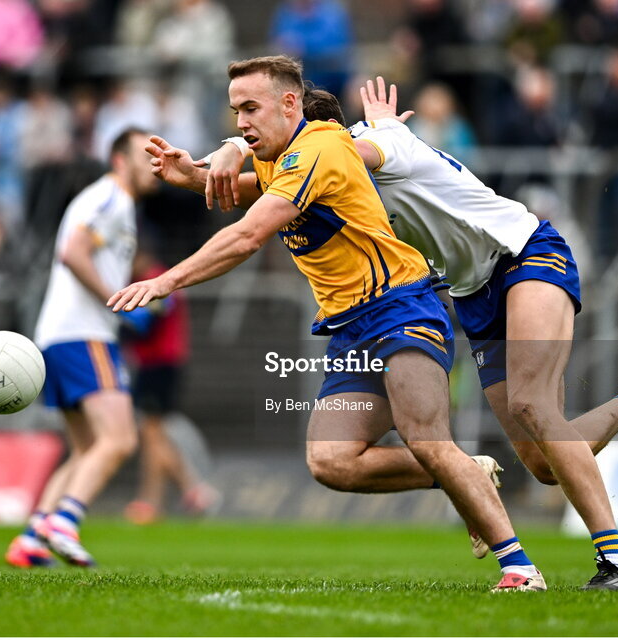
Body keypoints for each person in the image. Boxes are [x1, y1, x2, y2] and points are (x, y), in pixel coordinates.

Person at [187, 78, 618, 590]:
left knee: (532, 406)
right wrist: (199, 167)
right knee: (541, 463)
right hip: (470, 292)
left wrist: (236, 144)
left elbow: (329, 154)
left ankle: (617, 565)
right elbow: (253, 187)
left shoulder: (377, 142)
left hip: (524, 253)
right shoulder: (322, 178)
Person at [111, 55, 548, 592]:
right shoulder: (281, 155)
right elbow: (252, 187)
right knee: (331, 461)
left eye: (251, 108)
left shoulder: (319, 146)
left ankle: (520, 568)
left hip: (401, 307)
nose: (241, 123)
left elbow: (248, 235)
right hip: (351, 329)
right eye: (235, 112)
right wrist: (192, 176)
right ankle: (468, 475)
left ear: (290, 103)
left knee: (426, 438)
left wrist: (166, 280)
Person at [5, 128, 160, 568]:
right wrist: (119, 301)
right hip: (83, 334)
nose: (154, 164)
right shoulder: (113, 199)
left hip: (58, 334)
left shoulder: (104, 199)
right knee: (119, 439)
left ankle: (33, 538)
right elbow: (74, 254)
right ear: (118, 160)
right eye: (143, 155)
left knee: (88, 447)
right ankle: (64, 522)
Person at [121, 249, 219, 524]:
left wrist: (113, 316)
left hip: (160, 364)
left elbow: (144, 326)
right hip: (156, 364)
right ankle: (189, 490)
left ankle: (155, 500)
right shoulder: (154, 279)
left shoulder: (158, 280)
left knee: (152, 434)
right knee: (153, 433)